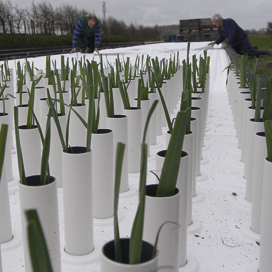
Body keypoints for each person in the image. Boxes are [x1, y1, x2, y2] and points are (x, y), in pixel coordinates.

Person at [208, 14, 272, 57]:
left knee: (250, 53)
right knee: (238, 55)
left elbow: (232, 33)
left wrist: (227, 44)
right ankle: (253, 49)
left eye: (215, 22)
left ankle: (268, 51)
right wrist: (215, 42)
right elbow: (221, 37)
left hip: (241, 39)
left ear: (219, 20)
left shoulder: (229, 22)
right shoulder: (219, 29)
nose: (214, 24)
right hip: (235, 43)